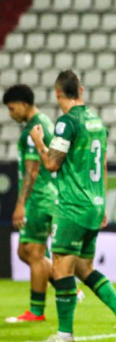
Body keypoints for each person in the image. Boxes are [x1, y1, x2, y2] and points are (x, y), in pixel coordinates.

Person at [29, 70, 116, 342]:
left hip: (72, 205)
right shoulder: (96, 121)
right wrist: (102, 202)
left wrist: (39, 142)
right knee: (83, 267)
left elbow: (52, 164)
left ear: (58, 94)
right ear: (80, 90)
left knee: (61, 268)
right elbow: (102, 164)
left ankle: (65, 334)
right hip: (94, 203)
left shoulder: (67, 123)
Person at [4, 85, 56, 323]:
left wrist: (20, 204)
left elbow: (32, 171)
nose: (10, 113)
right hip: (46, 195)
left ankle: (36, 311)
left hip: (38, 198)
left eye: (11, 107)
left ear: (23, 104)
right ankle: (66, 285)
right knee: (25, 251)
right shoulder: (44, 121)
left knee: (33, 253)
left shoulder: (31, 131)